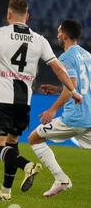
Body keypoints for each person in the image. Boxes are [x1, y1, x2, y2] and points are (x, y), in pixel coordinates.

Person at [0, 0, 82, 201]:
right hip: (24, 103)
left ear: (9, 15)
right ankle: (6, 191)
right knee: (12, 143)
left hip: (2, 99)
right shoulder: (39, 39)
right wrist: (73, 91)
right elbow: (59, 70)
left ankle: (27, 165)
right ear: (27, 16)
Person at [28, 19, 91, 197]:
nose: (57, 35)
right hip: (89, 116)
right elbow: (80, 88)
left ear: (63, 35)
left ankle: (61, 179)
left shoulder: (66, 57)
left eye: (58, 32)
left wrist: (53, 109)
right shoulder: (87, 55)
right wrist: (58, 90)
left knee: (34, 139)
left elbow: (72, 86)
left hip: (73, 118)